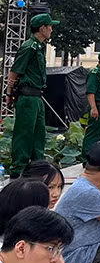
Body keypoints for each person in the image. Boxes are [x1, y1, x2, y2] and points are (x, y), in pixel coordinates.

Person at [5, 13, 58, 178]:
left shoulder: (39, 47)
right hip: (27, 96)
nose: (51, 29)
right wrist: (9, 93)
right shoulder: (29, 47)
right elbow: (14, 72)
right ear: (42, 28)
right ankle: (18, 171)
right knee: (24, 134)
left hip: (37, 96)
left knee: (38, 135)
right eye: (50, 26)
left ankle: (38, 168)